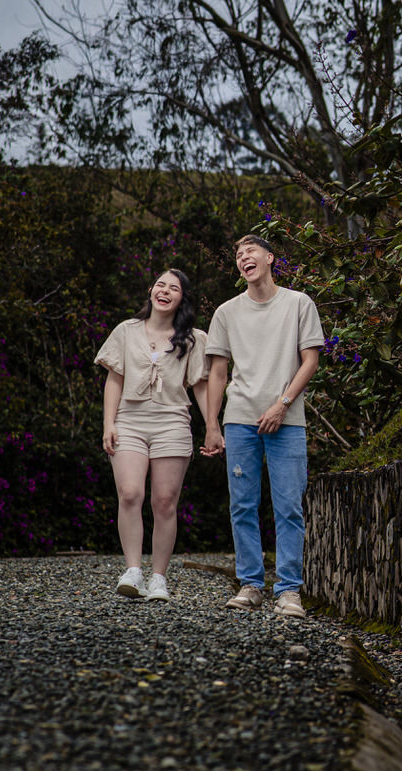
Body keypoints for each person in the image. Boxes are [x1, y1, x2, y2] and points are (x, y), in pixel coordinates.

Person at [201, 234, 323, 617]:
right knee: (243, 505)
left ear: (270, 257)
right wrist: (211, 424)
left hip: (286, 419)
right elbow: (218, 373)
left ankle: (288, 591)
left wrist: (282, 404)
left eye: (250, 251)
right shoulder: (226, 313)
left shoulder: (298, 303)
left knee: (288, 506)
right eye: (238, 254)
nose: (243, 257)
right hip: (239, 419)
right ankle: (251, 584)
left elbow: (311, 360)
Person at [94, 269, 210, 601]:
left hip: (172, 422)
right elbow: (114, 379)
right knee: (129, 493)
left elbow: (200, 387)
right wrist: (109, 424)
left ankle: (158, 578)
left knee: (164, 502)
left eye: (173, 288)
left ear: (181, 298)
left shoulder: (193, 339)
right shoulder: (126, 331)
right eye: (160, 285)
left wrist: (213, 428)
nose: (165, 291)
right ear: (150, 290)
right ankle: (133, 570)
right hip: (129, 420)